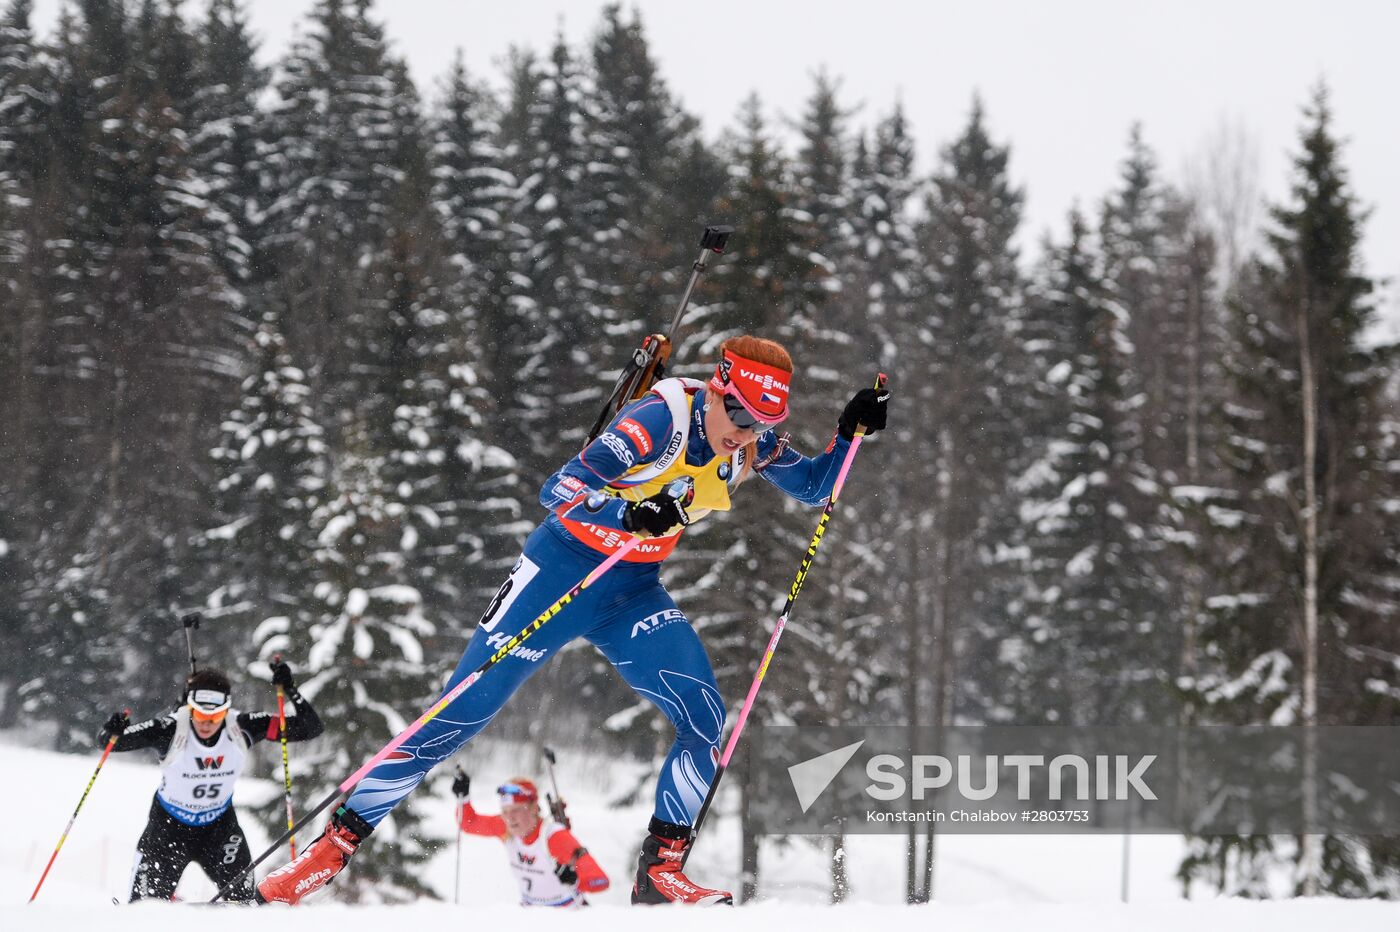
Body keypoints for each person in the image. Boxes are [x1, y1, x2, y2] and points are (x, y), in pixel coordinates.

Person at [257, 335, 889, 906]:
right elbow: (559, 488)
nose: (747, 434)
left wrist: (848, 432)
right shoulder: (657, 422)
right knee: (455, 717)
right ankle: (332, 847)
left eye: (765, 423)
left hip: (631, 591)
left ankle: (660, 872)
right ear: (718, 390)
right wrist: (629, 514)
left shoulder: (750, 442)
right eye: (742, 415)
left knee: (704, 719)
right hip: (560, 573)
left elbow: (813, 487)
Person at [100, 662, 322, 902]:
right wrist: (112, 730)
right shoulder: (170, 728)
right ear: (189, 708)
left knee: (244, 902)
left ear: (226, 710)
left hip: (219, 829)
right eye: (199, 714)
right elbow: (111, 742)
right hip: (168, 827)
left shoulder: (243, 726)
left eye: (215, 715)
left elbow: (310, 728)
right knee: (144, 906)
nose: (206, 723)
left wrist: (290, 688)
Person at [452, 772, 609, 907]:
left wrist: (576, 878)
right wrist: (463, 799)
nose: (509, 818)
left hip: (566, 915)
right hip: (530, 915)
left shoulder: (553, 836)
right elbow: (468, 824)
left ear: (534, 807)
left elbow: (600, 881)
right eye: (505, 811)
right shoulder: (506, 828)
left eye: (516, 810)